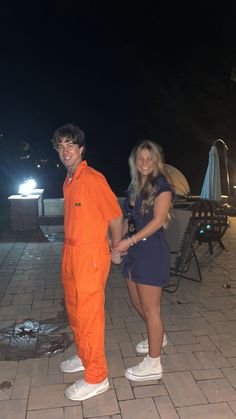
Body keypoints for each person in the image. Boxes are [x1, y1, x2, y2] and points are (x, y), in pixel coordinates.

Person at [52, 124, 122, 401]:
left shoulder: (93, 178)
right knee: (75, 310)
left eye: (70, 145)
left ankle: (97, 377)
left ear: (81, 149)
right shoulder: (69, 180)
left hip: (90, 256)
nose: (65, 150)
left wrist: (115, 249)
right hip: (70, 254)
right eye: (60, 146)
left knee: (90, 315)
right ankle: (85, 356)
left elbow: (115, 216)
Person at [113, 140, 174, 382]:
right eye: (140, 158)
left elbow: (158, 220)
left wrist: (130, 242)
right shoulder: (135, 185)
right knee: (138, 304)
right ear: (134, 162)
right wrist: (117, 243)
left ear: (156, 161)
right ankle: (159, 336)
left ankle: (153, 363)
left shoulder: (162, 186)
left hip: (150, 252)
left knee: (151, 309)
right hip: (134, 251)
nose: (145, 163)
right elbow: (129, 218)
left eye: (150, 158)